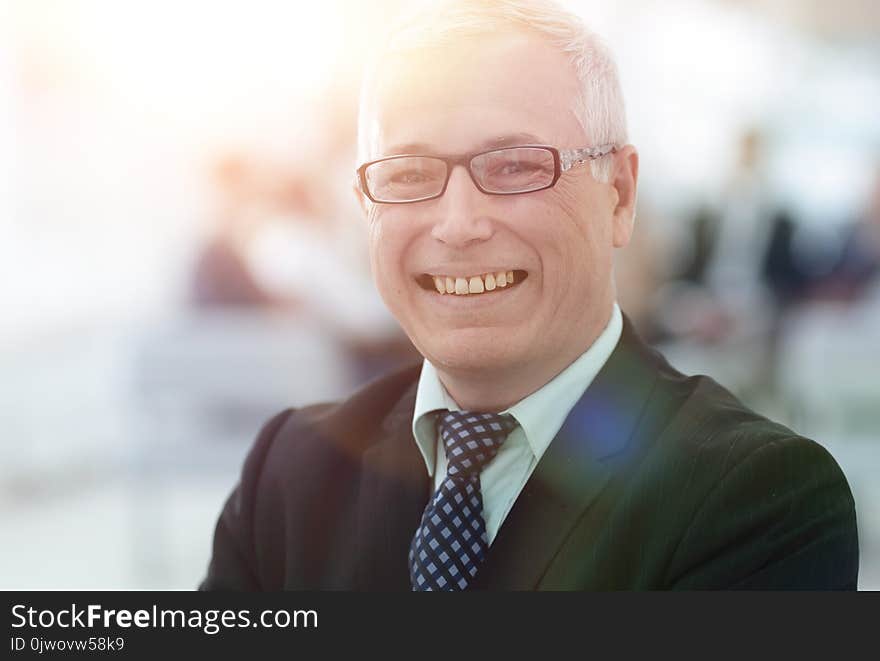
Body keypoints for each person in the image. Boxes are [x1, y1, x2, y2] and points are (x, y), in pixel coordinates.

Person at [200, 0, 858, 590]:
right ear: (366, 206)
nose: (458, 224)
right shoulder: (288, 472)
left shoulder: (760, 500)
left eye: (515, 165)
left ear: (619, 196)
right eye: (409, 173)